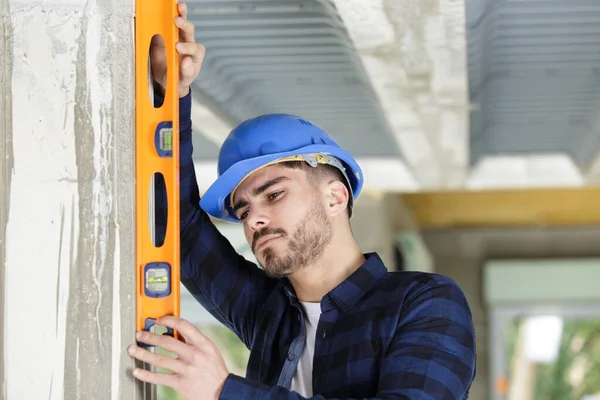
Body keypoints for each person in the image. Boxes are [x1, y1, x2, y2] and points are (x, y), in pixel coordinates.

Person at [128, 3, 477, 399]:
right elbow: (178, 224)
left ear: (335, 195)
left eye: (273, 194)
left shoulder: (425, 303)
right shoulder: (267, 314)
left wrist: (226, 391)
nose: (253, 219)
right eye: (243, 210)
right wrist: (169, 93)